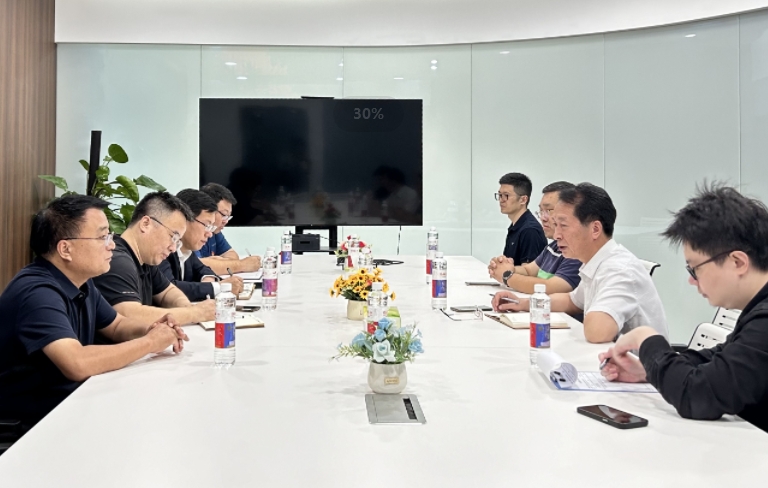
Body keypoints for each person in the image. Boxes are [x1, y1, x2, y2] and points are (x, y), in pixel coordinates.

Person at [0, 195, 188, 428]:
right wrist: (150, 342)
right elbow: (77, 363)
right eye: (102, 237)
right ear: (65, 249)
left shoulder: (81, 282)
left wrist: (153, 327)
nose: (112, 244)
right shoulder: (37, 292)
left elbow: (116, 325)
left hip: (69, 406)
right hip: (28, 426)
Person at [599, 185, 768, 432]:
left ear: (737, 262)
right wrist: (649, 370)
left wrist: (647, 339)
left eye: (695, 268)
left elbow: (698, 396)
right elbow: (719, 360)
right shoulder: (757, 311)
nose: (691, 280)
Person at [492, 183, 668, 343]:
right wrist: (524, 303)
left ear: (595, 229)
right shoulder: (595, 262)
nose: (557, 235)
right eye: (556, 225)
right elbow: (572, 301)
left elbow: (597, 332)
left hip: (638, 367)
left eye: (563, 225)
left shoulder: (619, 270)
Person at [93, 192, 215, 325]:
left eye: (177, 241)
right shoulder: (116, 261)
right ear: (146, 224)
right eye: (173, 237)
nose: (173, 248)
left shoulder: (145, 260)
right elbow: (129, 316)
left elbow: (168, 292)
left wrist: (188, 307)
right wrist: (194, 314)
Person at [488, 181, 582, 294]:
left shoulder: (577, 251)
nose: (543, 218)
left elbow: (551, 287)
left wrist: (507, 276)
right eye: (541, 211)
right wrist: (504, 268)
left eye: (549, 210)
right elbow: (528, 270)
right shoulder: (552, 247)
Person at [158, 189, 244, 301]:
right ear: (185, 219)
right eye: (207, 225)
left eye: (211, 227)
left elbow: (202, 269)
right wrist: (218, 288)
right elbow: (169, 289)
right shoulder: (162, 248)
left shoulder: (185, 249)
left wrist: (209, 280)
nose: (209, 234)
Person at [198, 183, 262, 276]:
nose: (226, 221)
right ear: (208, 209)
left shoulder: (215, 231)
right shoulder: (193, 231)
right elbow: (199, 266)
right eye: (224, 215)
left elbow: (232, 254)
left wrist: (217, 263)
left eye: (228, 217)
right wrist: (242, 265)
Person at [495, 172, 547, 265]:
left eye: (506, 195)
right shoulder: (516, 226)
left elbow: (529, 271)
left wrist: (503, 269)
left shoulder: (529, 230)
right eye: (500, 195)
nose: (501, 200)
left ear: (523, 200)